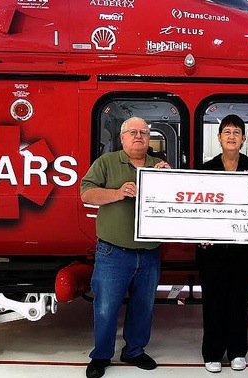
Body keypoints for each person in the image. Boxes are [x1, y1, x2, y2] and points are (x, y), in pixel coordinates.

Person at [80, 116, 170, 378]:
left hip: (150, 253)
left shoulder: (159, 166)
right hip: (113, 252)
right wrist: (118, 193)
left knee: (144, 305)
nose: (139, 136)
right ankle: (101, 355)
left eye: (143, 132)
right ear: (122, 138)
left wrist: (170, 179)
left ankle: (134, 351)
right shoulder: (107, 162)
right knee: (106, 306)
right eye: (133, 132)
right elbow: (86, 193)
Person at [197, 114, 248, 373]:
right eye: (227, 132)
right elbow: (196, 208)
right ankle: (212, 352)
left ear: (244, 139)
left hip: (245, 250)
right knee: (213, 300)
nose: (232, 136)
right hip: (211, 250)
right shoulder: (206, 168)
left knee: (240, 300)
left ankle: (237, 351)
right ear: (219, 138)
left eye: (237, 132)